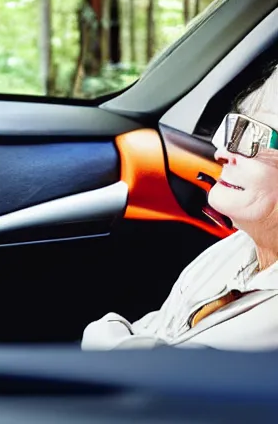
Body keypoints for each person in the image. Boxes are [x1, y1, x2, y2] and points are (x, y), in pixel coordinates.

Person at [81, 66, 278, 351]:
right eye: (233, 128)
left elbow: (152, 373)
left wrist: (107, 335)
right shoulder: (232, 251)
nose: (222, 152)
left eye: (251, 136)